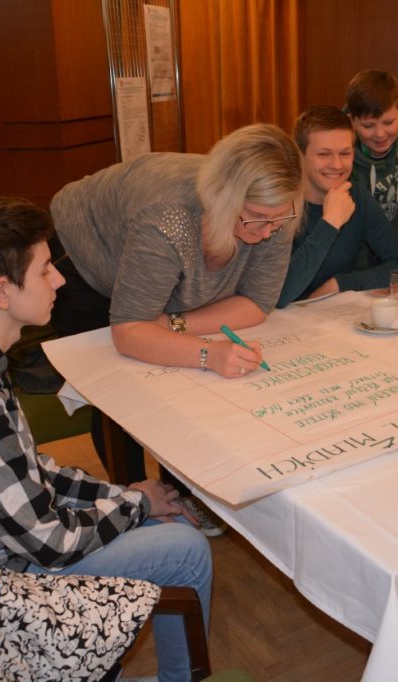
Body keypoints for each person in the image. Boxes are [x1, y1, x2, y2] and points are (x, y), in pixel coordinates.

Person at [0, 196, 212, 682]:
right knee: (186, 550)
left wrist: (125, 496)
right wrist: (133, 503)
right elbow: (49, 543)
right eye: (46, 269)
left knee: (150, 523)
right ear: (3, 292)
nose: (60, 280)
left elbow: (29, 471)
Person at [48, 124, 303, 532]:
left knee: (179, 381)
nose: (270, 230)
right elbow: (129, 330)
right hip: (87, 254)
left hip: (163, 264)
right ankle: (131, 503)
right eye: (258, 219)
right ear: (225, 200)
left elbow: (257, 303)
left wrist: (174, 324)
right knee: (122, 391)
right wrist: (208, 353)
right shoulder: (168, 218)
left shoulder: (273, 209)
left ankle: (178, 494)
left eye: (280, 218)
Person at [277, 105, 398, 307]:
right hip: (279, 320)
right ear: (299, 155)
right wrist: (330, 224)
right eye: (324, 154)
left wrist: (340, 284)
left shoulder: (356, 196)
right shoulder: (278, 202)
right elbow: (278, 293)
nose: (337, 165)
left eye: (345, 153)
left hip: (330, 315)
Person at [346, 69, 398, 247]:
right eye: (368, 126)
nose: (380, 134)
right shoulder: (339, 141)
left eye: (388, 122)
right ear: (352, 121)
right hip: (352, 249)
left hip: (395, 246)